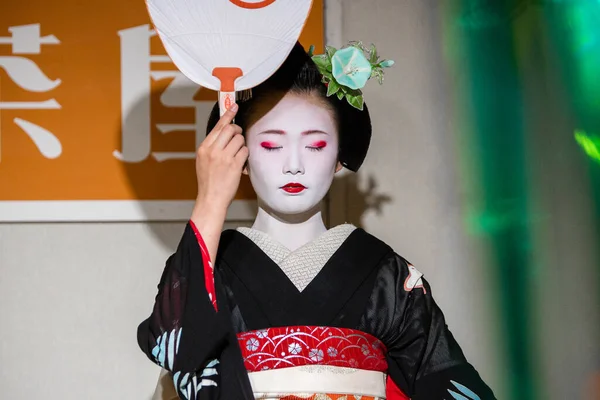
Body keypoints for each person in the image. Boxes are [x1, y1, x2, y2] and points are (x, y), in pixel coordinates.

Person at [137, 42, 497, 400]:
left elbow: (447, 381)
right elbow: (174, 347)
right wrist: (211, 198)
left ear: (340, 157)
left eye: (315, 145)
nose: (294, 163)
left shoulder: (386, 275)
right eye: (271, 145)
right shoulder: (211, 269)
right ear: (240, 157)